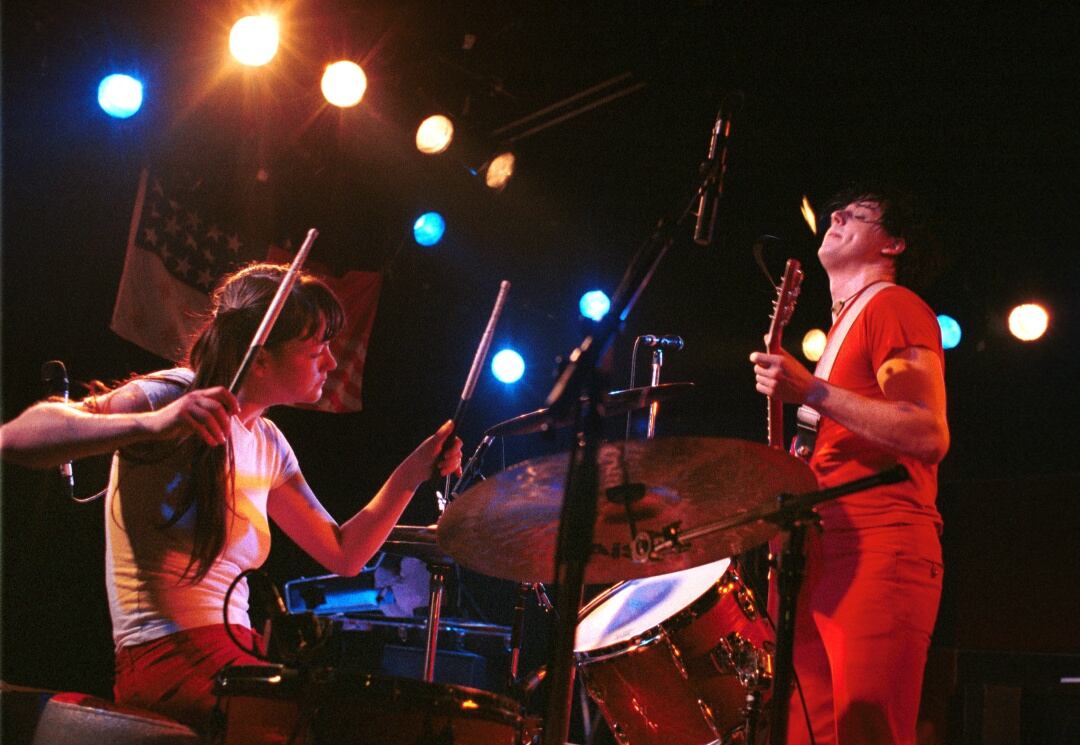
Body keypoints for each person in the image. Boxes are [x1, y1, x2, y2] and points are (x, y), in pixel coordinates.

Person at [0, 263, 463, 734]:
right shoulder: (173, 395)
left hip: (236, 658)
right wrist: (154, 423)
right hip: (167, 660)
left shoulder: (268, 441)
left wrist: (412, 474)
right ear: (260, 358)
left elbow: (344, 553)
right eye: (316, 347)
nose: (330, 361)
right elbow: (15, 439)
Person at [749, 186, 949, 744]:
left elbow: (927, 431)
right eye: (840, 210)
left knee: (866, 729)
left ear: (895, 245)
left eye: (859, 215)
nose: (836, 215)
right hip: (818, 557)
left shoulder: (894, 306)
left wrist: (810, 389)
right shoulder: (844, 330)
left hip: (878, 548)